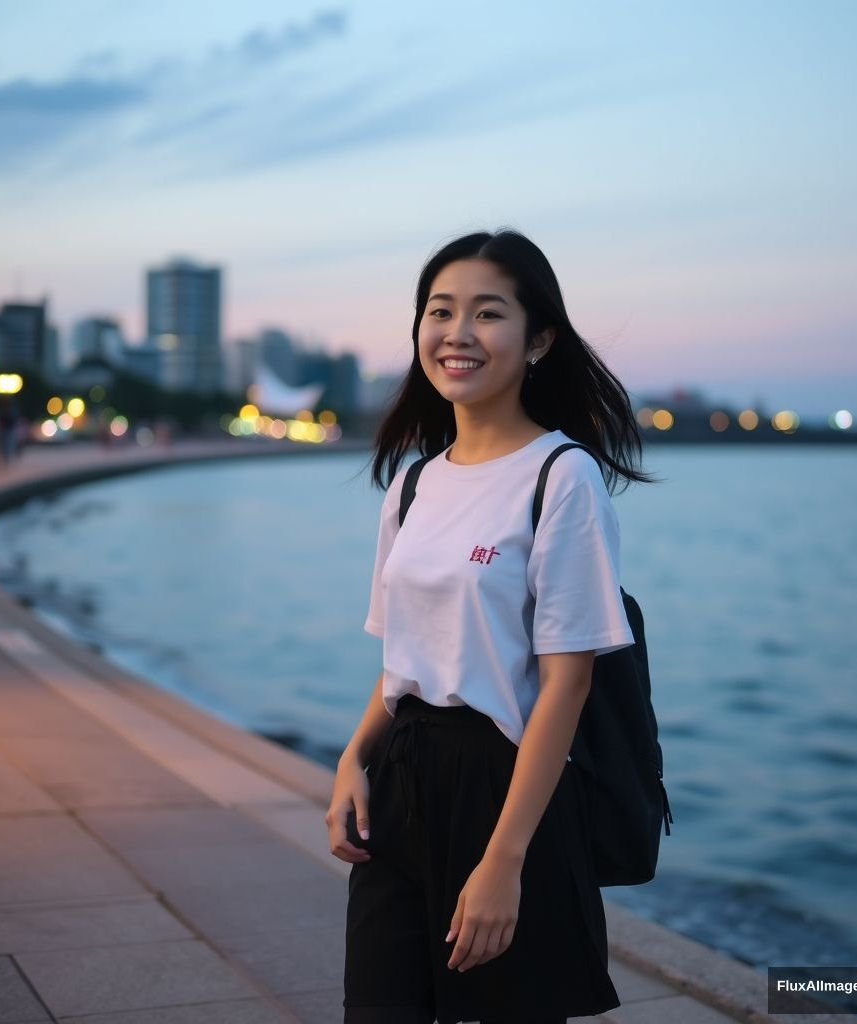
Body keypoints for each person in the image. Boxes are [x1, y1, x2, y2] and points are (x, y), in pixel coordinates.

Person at [328, 228, 656, 1024]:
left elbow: (566, 687)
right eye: (440, 312)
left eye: (488, 313)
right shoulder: (411, 485)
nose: (458, 334)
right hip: (404, 780)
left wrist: (504, 861)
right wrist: (352, 760)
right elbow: (404, 659)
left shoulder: (562, 476)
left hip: (510, 787)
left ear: (539, 338)